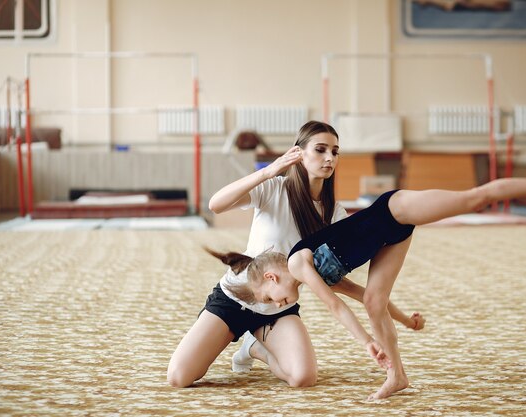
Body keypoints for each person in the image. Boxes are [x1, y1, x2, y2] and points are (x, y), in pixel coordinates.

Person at [207, 173, 526, 400]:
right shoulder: (315, 276)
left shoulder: (297, 263)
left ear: (271, 278)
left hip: (395, 210)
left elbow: (337, 310)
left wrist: (367, 343)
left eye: (271, 299)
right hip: (391, 239)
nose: (277, 304)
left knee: (475, 198)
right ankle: (397, 376)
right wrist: (404, 320)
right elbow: (357, 296)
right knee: (374, 301)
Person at [167, 121, 422, 390]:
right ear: (299, 153)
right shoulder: (274, 188)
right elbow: (216, 204)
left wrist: (402, 317)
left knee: (303, 378)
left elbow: (334, 284)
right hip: (233, 300)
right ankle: (245, 339)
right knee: (179, 377)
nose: (329, 158)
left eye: (335, 152)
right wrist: (268, 172)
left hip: (278, 309)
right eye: (320, 149)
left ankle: (256, 348)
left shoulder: (334, 214)